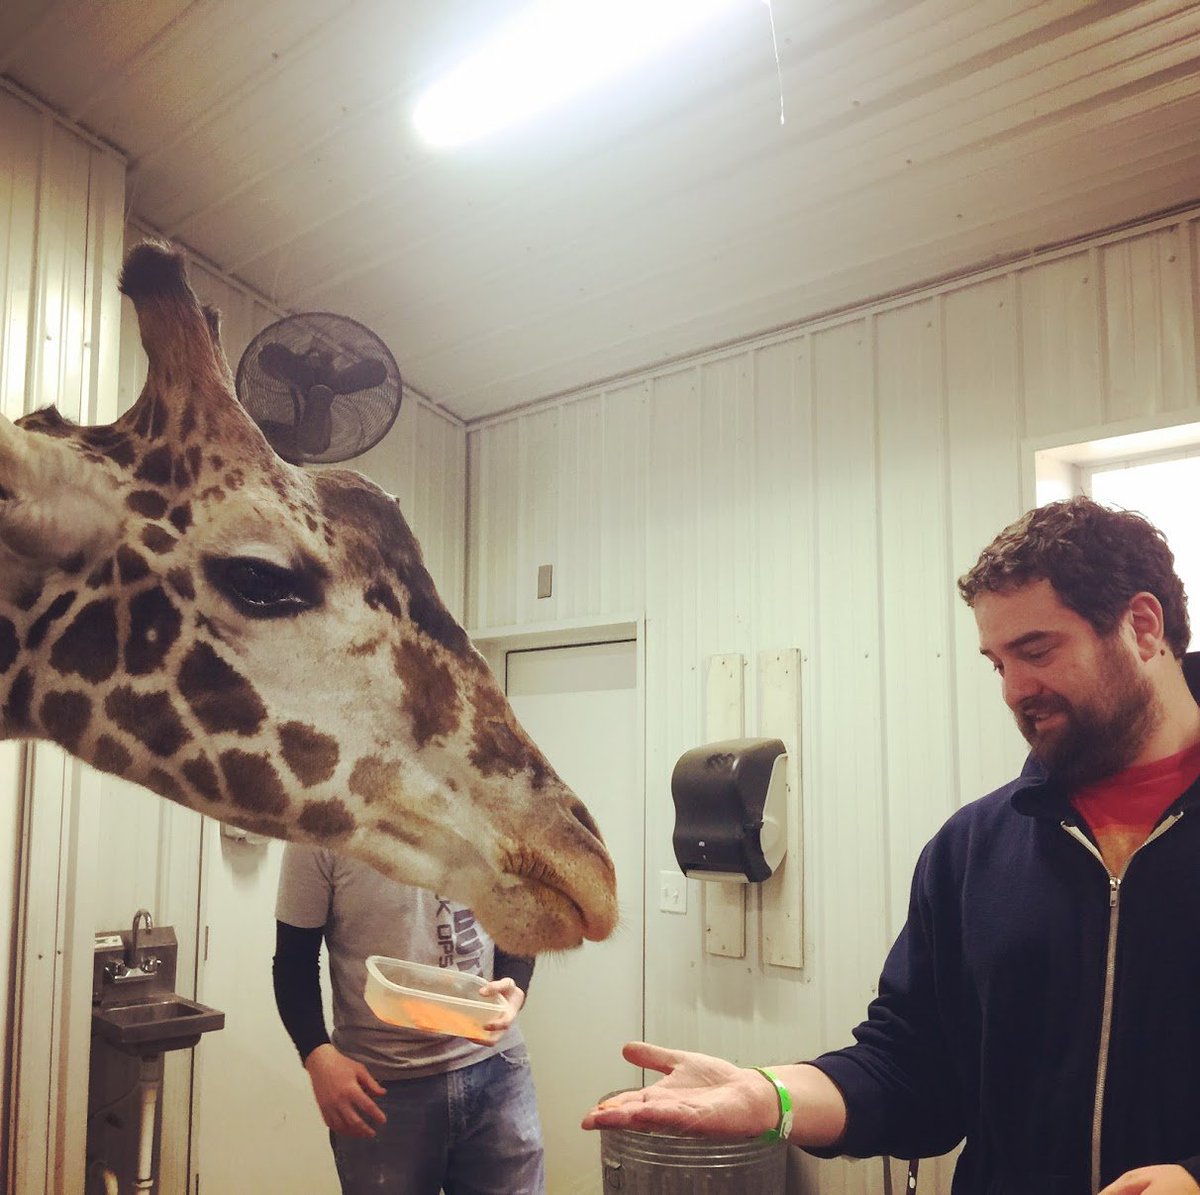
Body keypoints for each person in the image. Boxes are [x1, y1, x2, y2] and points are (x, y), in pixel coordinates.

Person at [583, 496, 1200, 1195]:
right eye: (998, 664)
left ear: (1143, 627)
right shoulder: (970, 850)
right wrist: (771, 1097)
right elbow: (911, 1067)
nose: (1015, 691)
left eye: (1036, 650)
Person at [273, 842, 545, 1195]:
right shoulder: (319, 831)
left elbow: (520, 918)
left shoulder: (491, 802)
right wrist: (317, 1055)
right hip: (382, 1088)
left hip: (499, 1073)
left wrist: (517, 986)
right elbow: (294, 962)